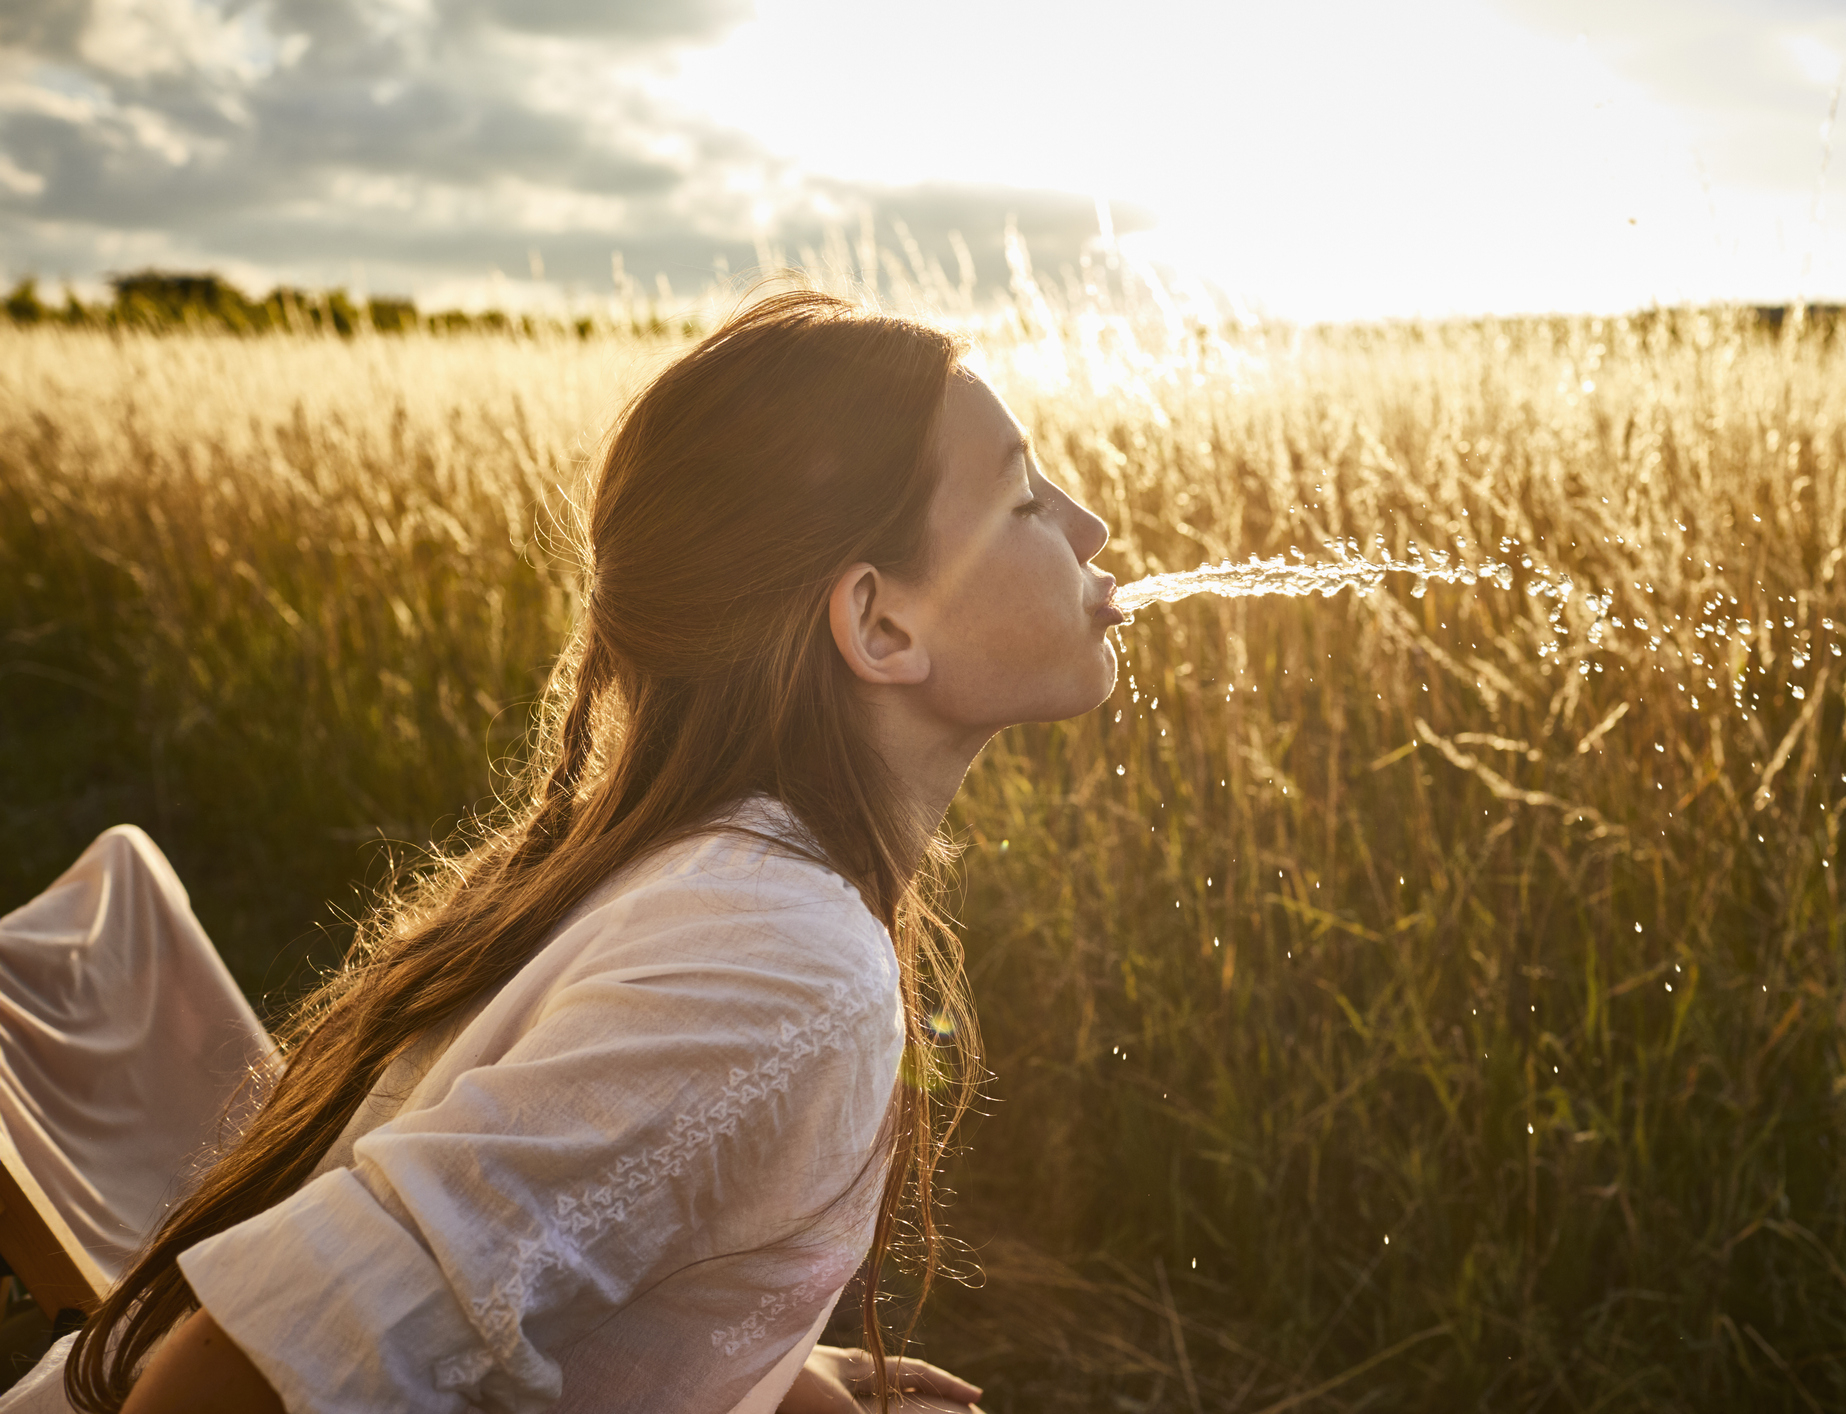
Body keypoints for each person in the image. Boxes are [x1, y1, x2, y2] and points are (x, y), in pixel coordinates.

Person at [2, 288, 1124, 1413]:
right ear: (881, 627)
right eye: (1024, 497)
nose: (1091, 530)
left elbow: (534, 1283)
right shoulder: (788, 964)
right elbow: (241, 1379)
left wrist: (755, 1379)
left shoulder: (714, 864)